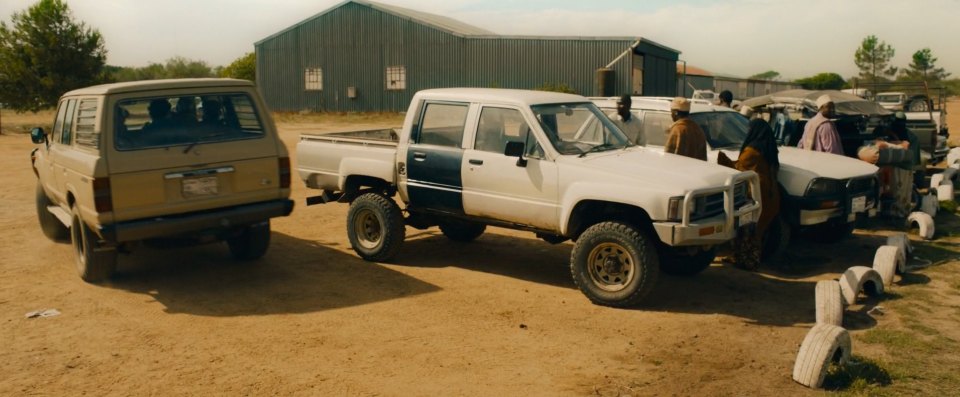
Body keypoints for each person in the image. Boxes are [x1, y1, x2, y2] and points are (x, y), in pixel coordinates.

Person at [718, 119, 782, 270]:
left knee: (748, 230)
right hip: (771, 196)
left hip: (754, 196)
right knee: (756, 231)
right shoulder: (769, 149)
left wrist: (723, 160)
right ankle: (742, 258)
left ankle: (747, 261)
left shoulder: (752, 151)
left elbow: (739, 169)